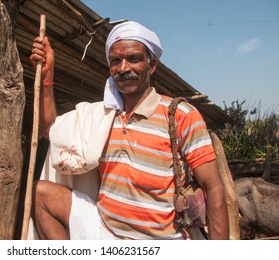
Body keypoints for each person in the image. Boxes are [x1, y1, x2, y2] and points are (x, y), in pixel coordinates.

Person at [29, 21, 229, 240]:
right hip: (105, 231)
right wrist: (47, 77)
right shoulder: (103, 116)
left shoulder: (181, 115)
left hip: (161, 240)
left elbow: (213, 188)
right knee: (39, 193)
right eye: (116, 61)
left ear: (151, 64)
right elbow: (51, 130)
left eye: (133, 59)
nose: (123, 68)